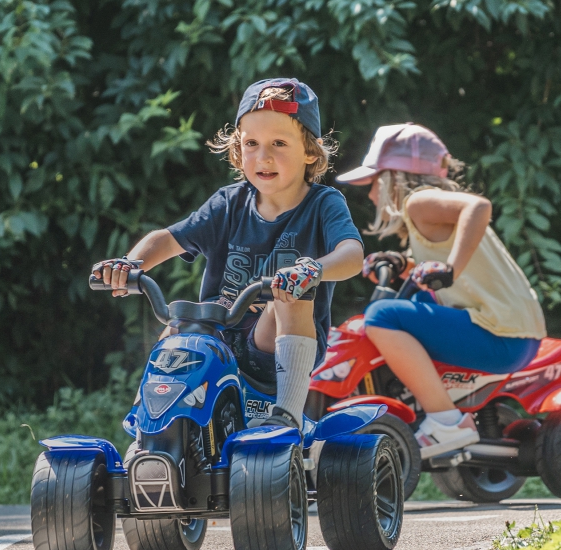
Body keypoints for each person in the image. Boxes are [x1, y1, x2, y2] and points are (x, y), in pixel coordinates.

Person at [93, 78, 364, 429]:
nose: (263, 156)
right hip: (218, 335)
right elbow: (168, 238)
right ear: (238, 149)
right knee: (177, 327)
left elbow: (352, 254)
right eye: (251, 143)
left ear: (310, 152)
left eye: (279, 143)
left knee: (290, 293)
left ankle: (287, 419)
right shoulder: (228, 203)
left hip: (272, 342)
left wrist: (313, 268)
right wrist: (131, 264)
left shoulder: (323, 204)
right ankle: (149, 426)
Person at [336, 123, 546, 457]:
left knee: (381, 316)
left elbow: (478, 207)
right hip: (510, 333)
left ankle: (447, 422)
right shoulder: (424, 214)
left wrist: (450, 270)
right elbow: (450, 267)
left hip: (501, 334)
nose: (371, 194)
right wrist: (403, 264)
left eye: (374, 182)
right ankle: (432, 408)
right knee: (413, 300)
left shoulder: (417, 202)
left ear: (394, 178)